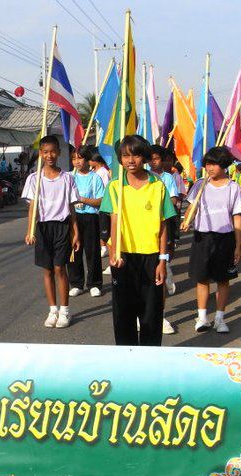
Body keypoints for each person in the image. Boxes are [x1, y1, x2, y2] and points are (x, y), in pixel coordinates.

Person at [101, 135, 177, 346]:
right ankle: (127, 359)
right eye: (125, 156)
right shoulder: (115, 187)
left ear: (144, 157)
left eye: (135, 155)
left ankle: (150, 358)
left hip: (151, 257)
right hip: (123, 257)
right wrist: (114, 252)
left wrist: (162, 260)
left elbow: (163, 225)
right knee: (123, 312)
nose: (131, 160)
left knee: (151, 312)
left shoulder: (157, 185)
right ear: (120, 159)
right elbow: (114, 222)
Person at [182, 146, 241, 333]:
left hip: (225, 238)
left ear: (224, 165)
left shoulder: (233, 188)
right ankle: (202, 317)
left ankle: (220, 318)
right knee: (202, 279)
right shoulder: (200, 184)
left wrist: (238, 245)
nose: (210, 168)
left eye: (214, 164)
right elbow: (191, 208)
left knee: (223, 279)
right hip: (202, 237)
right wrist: (186, 221)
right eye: (208, 163)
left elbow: (237, 218)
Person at [22, 135, 81, 328]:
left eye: (53, 151)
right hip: (43, 228)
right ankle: (52, 310)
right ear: (40, 154)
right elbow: (32, 207)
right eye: (45, 152)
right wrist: (30, 230)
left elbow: (71, 208)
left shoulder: (67, 178)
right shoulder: (34, 179)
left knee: (59, 268)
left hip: (62, 227)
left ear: (59, 153)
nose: (49, 155)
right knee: (47, 270)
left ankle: (65, 310)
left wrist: (75, 232)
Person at [150, 144, 180, 334]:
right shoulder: (140, 177)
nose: (153, 162)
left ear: (163, 160)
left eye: (157, 158)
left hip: (162, 228)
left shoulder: (167, 178)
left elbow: (174, 201)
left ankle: (159, 316)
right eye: (150, 158)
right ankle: (141, 315)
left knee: (160, 275)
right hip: (141, 233)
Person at [68, 145, 105, 298]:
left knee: (92, 251)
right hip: (73, 217)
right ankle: (76, 283)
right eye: (74, 159)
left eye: (80, 158)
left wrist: (83, 200)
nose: (77, 162)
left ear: (87, 160)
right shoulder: (69, 177)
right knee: (74, 251)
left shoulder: (95, 177)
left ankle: (94, 283)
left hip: (90, 217)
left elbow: (100, 201)